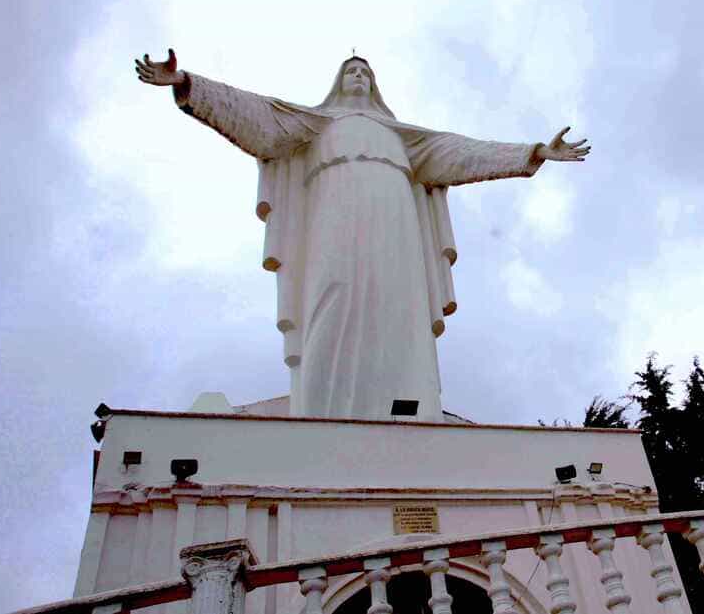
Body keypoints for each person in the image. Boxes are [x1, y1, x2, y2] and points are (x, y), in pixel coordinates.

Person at [136, 49, 589, 420]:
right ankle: (320, 416)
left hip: (394, 219)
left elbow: (460, 151)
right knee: (332, 295)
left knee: (399, 303)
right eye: (350, 71)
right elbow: (259, 117)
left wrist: (533, 152)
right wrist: (186, 84)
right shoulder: (315, 123)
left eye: (364, 72)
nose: (358, 76)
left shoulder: (403, 137)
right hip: (334, 212)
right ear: (338, 82)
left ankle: (412, 411)